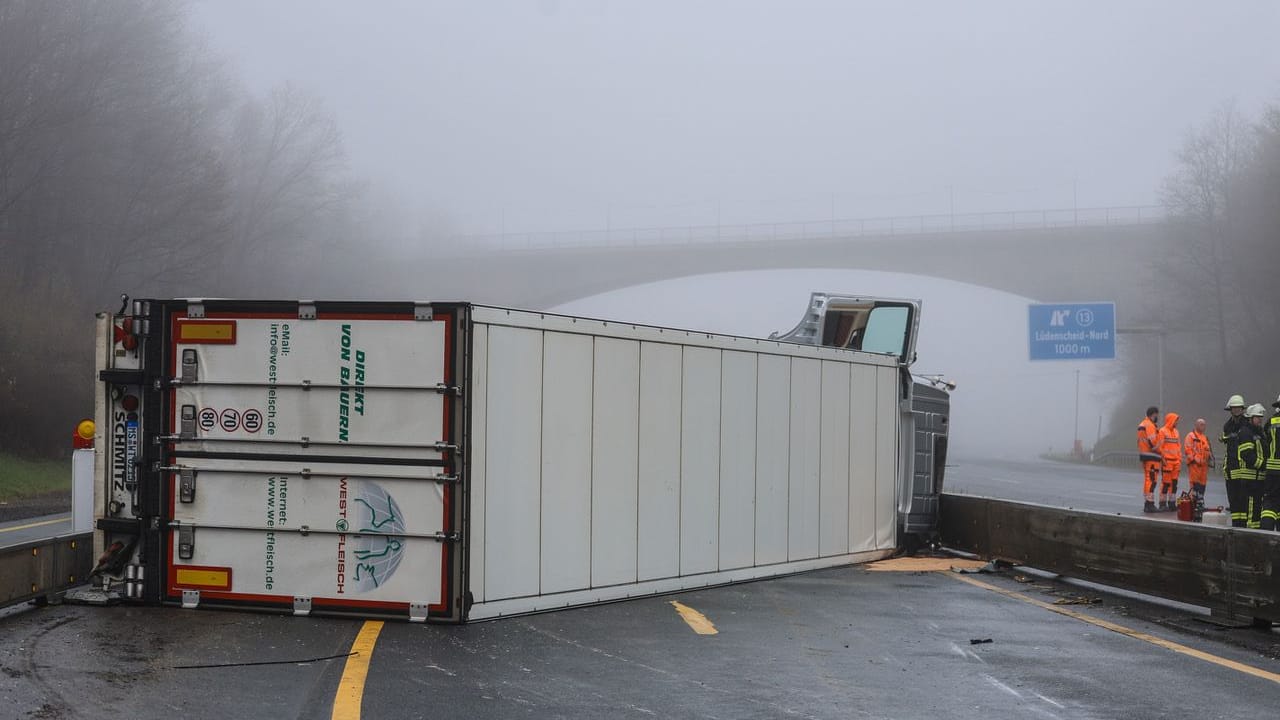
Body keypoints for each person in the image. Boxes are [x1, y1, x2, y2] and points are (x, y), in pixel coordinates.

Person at [1231, 404, 1268, 528]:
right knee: (1251, 510)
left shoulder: (1261, 433)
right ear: (1250, 418)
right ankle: (1251, 535)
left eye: (1261, 417)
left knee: (1257, 509)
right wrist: (1263, 465)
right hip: (1249, 479)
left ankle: (1255, 532)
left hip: (1260, 479)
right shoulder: (1246, 432)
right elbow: (1247, 455)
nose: (1260, 420)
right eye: (1257, 417)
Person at [1137, 406, 1162, 513]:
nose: (1157, 417)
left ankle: (1148, 503)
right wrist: (1161, 452)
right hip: (1152, 456)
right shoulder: (1149, 425)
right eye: (1157, 415)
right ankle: (1149, 504)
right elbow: (1153, 443)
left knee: (1148, 479)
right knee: (1152, 480)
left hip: (1145, 455)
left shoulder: (1143, 424)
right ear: (1153, 414)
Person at [1183, 418, 1213, 505]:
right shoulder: (1191, 436)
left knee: (1202, 485)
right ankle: (1194, 501)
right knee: (1195, 484)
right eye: (1201, 424)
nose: (1203, 427)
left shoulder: (1204, 437)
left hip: (1204, 466)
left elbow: (1207, 450)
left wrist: (1210, 457)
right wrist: (1193, 459)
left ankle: (1200, 501)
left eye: (1204, 425)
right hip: (1195, 465)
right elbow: (1188, 449)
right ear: (1196, 425)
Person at [1262, 397, 1280, 531]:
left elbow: (1263, 444)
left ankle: (1266, 532)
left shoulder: (1270, 422)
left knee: (1269, 502)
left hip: (1272, 471)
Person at [1158, 412, 1182, 511]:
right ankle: (1162, 503)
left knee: (1174, 484)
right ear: (1171, 420)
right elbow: (1160, 447)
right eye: (1176, 420)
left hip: (1176, 462)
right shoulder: (1162, 431)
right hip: (1166, 461)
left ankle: (1172, 503)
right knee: (1165, 483)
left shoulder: (1176, 432)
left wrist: (1179, 459)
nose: (1177, 422)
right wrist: (1162, 459)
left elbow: (1178, 447)